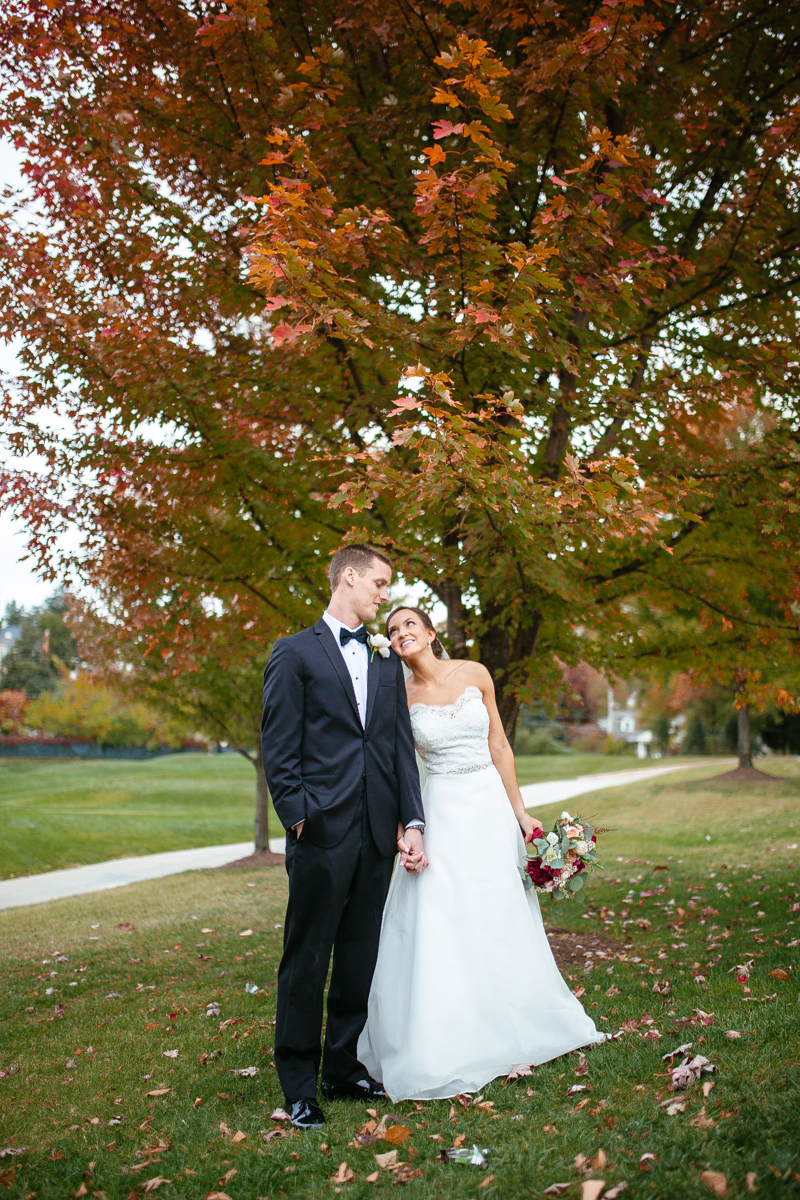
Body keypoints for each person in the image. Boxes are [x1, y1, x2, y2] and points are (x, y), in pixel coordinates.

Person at [357, 606, 606, 1101]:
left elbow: (499, 746)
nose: (399, 632)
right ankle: (446, 1036)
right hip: (443, 811)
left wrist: (522, 813)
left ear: (430, 633)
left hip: (489, 808)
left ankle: (517, 1021)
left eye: (409, 624)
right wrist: (409, 829)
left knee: (499, 912)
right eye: (390, 629)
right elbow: (398, 772)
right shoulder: (397, 698)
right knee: (443, 918)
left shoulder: (474, 673)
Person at [261, 545, 426, 1129]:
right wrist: (298, 817)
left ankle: (343, 1069)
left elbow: (397, 748)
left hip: (378, 832)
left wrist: (411, 820)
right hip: (321, 830)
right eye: (379, 584)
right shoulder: (294, 652)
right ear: (349, 578)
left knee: (359, 957)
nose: (385, 595)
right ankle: (299, 1084)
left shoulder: (386, 662)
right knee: (306, 957)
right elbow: (279, 749)